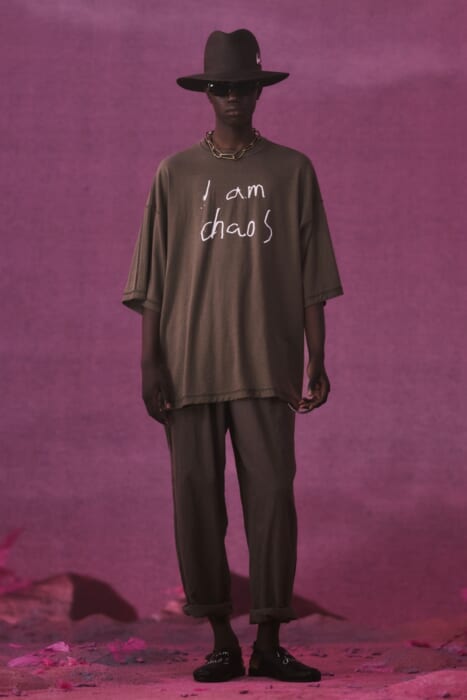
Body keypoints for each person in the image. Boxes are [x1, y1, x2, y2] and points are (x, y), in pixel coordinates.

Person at [122, 28, 343, 683]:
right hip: (188, 364)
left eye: (243, 86)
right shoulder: (175, 174)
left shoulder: (292, 170)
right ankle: (221, 638)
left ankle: (268, 639)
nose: (232, 97)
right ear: (206, 92)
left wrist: (317, 355)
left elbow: (311, 273)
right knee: (196, 499)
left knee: (272, 499)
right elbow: (153, 278)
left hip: (266, 363)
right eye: (220, 87)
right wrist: (149, 363)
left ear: (258, 90)